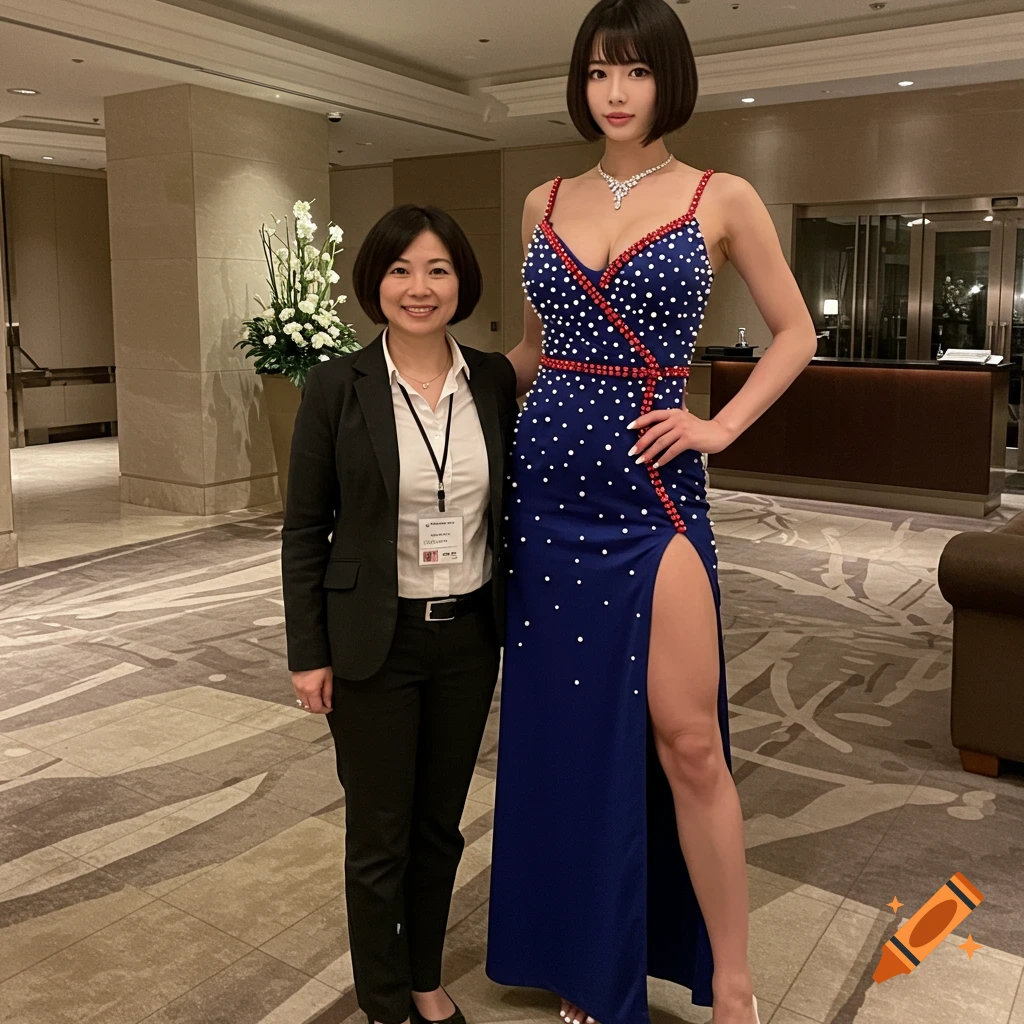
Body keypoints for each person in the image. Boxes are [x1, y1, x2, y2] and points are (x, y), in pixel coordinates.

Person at [485, 2, 817, 1024]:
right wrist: (436, 385)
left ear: (667, 79)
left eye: (631, 71)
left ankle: (730, 976)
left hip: (653, 492)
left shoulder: (723, 196)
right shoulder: (544, 198)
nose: (613, 92)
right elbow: (538, 352)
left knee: (687, 740)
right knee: (570, 733)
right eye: (595, 72)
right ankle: (592, 959)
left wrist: (718, 428)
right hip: (547, 487)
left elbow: (794, 330)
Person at [282, 204, 519, 1024]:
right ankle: (385, 1002)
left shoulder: (489, 378)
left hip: (467, 638)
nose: (420, 289)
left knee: (439, 828)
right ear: (375, 284)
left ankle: (423, 976)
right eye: (400, 271)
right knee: (378, 835)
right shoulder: (335, 385)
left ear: (463, 282)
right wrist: (307, 651)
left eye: (438, 270)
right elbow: (304, 527)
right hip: (372, 643)